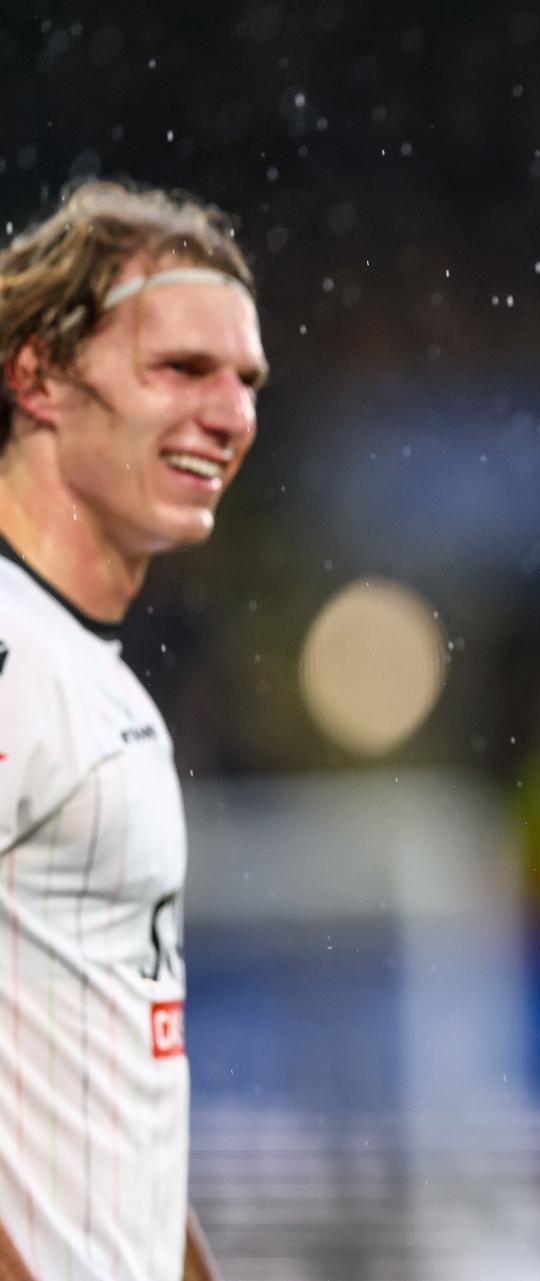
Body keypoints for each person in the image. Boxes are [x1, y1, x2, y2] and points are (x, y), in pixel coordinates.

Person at [0, 179, 264, 1281]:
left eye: (246, 381)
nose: (231, 413)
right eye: (182, 370)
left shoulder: (91, 675)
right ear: (41, 374)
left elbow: (116, 1109)